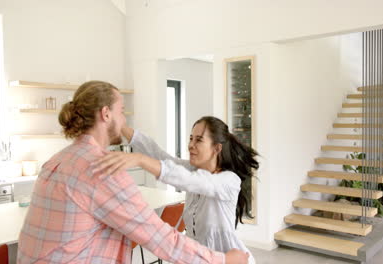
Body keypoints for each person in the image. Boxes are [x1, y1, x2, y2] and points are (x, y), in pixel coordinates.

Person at [17, 81, 248, 264]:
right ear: (106, 114)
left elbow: (184, 175)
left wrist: (127, 141)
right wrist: (222, 261)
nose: (125, 118)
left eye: (199, 140)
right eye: (122, 111)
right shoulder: (104, 169)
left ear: (217, 147)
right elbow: (160, 237)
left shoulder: (56, 161)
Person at [92, 116, 259, 264]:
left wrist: (139, 160)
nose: (191, 145)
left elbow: (193, 181)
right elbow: (158, 155)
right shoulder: (193, 170)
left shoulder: (228, 180)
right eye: (191, 138)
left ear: (217, 148)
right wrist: (119, 125)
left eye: (199, 140)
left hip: (231, 259)